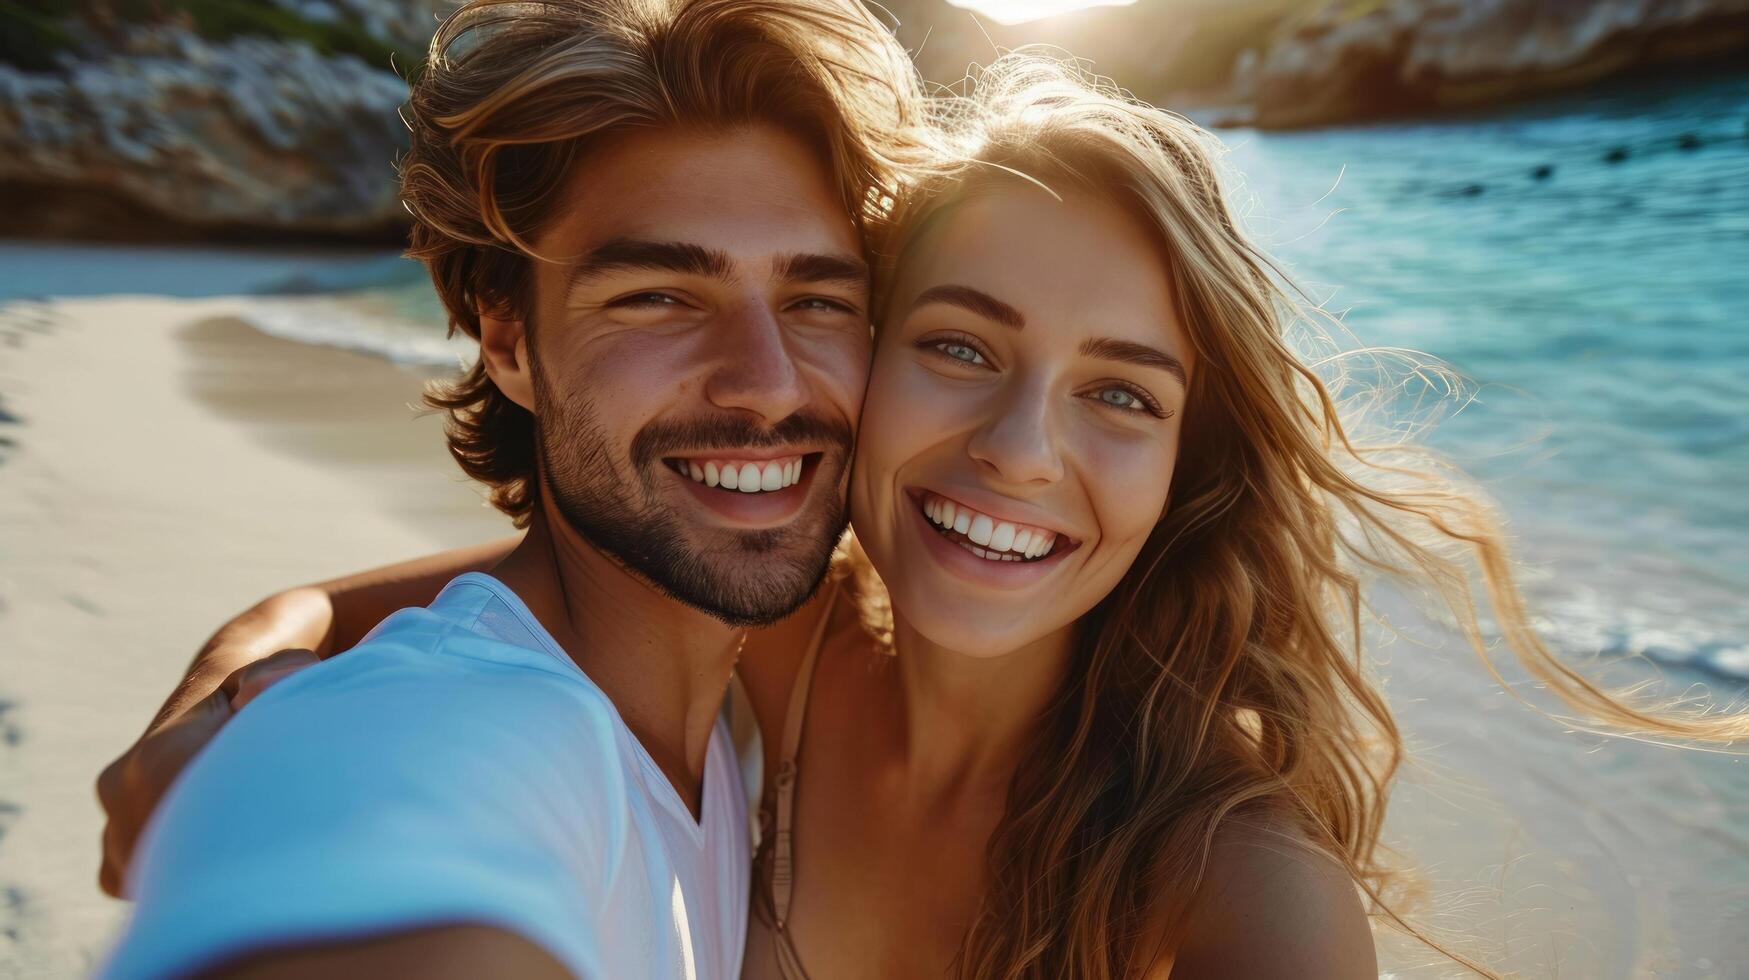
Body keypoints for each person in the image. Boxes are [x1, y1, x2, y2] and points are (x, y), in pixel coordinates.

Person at [101, 47, 1749, 980]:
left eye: (1120, 391)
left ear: (1191, 458)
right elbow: (393, 627)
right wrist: (218, 701)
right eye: (956, 347)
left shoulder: (1226, 883)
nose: (1017, 450)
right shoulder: (775, 641)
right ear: (867, 363)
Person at [94, 0, 928, 976]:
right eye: (658, 296)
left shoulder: (741, 700)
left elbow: (327, 603)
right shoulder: (465, 721)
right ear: (508, 341)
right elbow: (397, 810)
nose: (769, 380)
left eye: (817, 300)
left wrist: (246, 650)